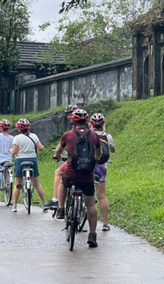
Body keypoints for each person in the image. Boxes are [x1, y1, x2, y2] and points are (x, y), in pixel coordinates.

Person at [53, 109, 102, 248]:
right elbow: (98, 152)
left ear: (73, 121)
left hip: (71, 172)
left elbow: (58, 150)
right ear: (86, 121)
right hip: (87, 175)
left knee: (63, 181)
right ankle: (92, 235)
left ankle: (61, 209)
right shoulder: (93, 135)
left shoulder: (68, 135)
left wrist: (57, 156)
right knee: (91, 205)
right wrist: (96, 159)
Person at [43, 104, 78, 211]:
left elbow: (61, 147)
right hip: (89, 161)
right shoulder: (89, 129)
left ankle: (56, 200)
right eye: (67, 115)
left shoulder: (71, 132)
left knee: (58, 172)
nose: (69, 117)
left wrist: (57, 155)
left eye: (71, 114)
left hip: (74, 160)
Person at [10, 118, 48, 212]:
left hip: (20, 161)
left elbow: (14, 151)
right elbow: (41, 147)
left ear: (19, 129)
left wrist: (11, 151)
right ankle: (45, 204)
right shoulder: (34, 136)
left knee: (18, 183)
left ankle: (14, 206)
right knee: (37, 183)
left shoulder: (17, 138)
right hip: (32, 160)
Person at [90, 113, 115, 231]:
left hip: (89, 166)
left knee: (88, 195)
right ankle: (105, 223)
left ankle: (84, 220)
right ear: (103, 124)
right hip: (101, 167)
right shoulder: (108, 136)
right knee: (101, 196)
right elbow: (112, 150)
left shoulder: (89, 135)